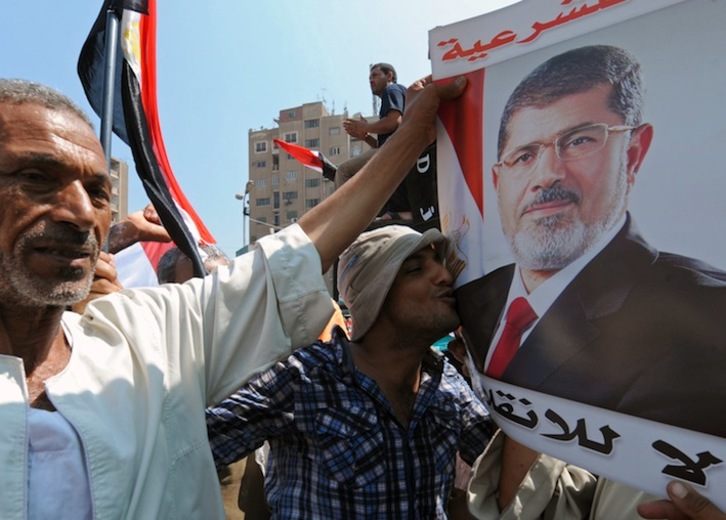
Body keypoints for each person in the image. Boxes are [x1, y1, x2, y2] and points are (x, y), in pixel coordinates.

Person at [0, 75, 466, 519]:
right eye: (37, 178)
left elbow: (290, 258)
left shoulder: (148, 336)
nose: (82, 213)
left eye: (98, 192)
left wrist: (413, 137)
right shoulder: (306, 381)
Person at [453, 45, 726, 518]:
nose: (546, 175)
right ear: (497, 179)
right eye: (524, 155)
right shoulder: (474, 298)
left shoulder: (705, 314)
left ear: (634, 152)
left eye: (579, 140)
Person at [207, 225, 493, 518]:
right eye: (416, 270)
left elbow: (508, 462)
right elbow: (191, 446)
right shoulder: (306, 377)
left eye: (441, 265)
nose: (445, 277)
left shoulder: (447, 382)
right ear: (376, 295)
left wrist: (488, 365)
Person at [337, 63, 413, 220]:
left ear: (389, 76)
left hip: (396, 150)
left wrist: (366, 126)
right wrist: (365, 137)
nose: (371, 80)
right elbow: (382, 145)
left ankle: (345, 219)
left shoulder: (391, 89)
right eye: (369, 78)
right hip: (394, 150)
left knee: (344, 171)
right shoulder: (396, 93)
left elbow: (394, 122)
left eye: (375, 76)